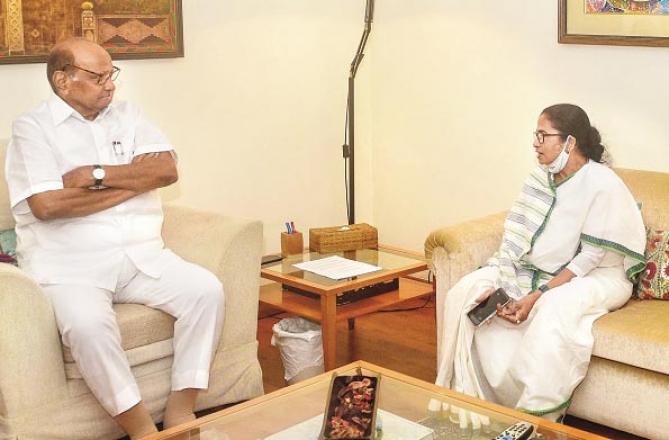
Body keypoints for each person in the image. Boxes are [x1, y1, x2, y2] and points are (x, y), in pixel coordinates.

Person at [5, 37, 224, 439]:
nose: (110, 85)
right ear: (63, 80)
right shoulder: (31, 129)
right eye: (98, 76)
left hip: (142, 255)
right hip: (71, 265)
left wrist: (94, 175)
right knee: (88, 325)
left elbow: (166, 172)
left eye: (112, 74)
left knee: (206, 291)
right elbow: (47, 206)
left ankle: (181, 413)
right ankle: (142, 429)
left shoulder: (129, 115)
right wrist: (133, 183)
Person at [435, 104, 646, 421]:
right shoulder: (539, 179)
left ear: (569, 143)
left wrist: (537, 295)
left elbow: (589, 258)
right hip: (539, 270)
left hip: (600, 275)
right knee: (464, 293)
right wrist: (502, 288)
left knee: (553, 309)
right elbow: (515, 239)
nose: (535, 143)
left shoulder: (602, 183)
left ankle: (533, 419)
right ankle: (473, 405)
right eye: (536, 135)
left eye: (543, 135)